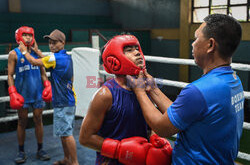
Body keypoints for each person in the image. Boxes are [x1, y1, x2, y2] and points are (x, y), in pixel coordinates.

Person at [127, 14, 244, 164]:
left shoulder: (199, 90)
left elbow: (162, 128)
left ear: (210, 45)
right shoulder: (233, 80)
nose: (193, 44)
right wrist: (153, 89)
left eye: (196, 38)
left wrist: (139, 91)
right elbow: (184, 113)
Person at [79, 34, 172, 165]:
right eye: (129, 50)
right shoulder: (105, 94)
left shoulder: (146, 88)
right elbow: (85, 137)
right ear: (114, 58)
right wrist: (118, 150)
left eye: (137, 49)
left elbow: (150, 123)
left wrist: (154, 136)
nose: (137, 53)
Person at [20, 29, 78, 165]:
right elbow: (48, 60)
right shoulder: (66, 56)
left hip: (64, 101)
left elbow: (34, 62)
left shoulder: (55, 58)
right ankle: (67, 159)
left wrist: (24, 50)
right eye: (50, 43)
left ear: (62, 43)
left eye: (55, 43)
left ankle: (74, 162)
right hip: (66, 99)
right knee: (63, 133)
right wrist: (38, 51)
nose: (51, 45)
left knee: (67, 134)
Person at [7, 26, 52, 164]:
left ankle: (40, 149)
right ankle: (21, 151)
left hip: (38, 93)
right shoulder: (14, 54)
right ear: (19, 36)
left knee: (39, 120)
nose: (28, 38)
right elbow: (9, 74)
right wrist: (12, 91)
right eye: (25, 35)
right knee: (22, 122)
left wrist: (47, 84)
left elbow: (43, 72)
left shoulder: (36, 53)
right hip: (22, 94)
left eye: (30, 35)